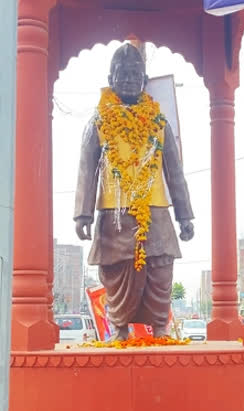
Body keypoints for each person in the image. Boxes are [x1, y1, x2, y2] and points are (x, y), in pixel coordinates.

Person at [74, 43, 194, 340]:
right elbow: (86, 171)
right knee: (115, 269)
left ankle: (161, 328)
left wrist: (185, 216)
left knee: (160, 268)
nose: (128, 79)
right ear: (111, 78)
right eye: (122, 74)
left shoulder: (158, 122)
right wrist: (82, 214)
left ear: (144, 78)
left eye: (135, 73)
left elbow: (175, 173)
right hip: (113, 213)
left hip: (155, 211)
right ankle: (119, 328)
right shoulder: (99, 122)